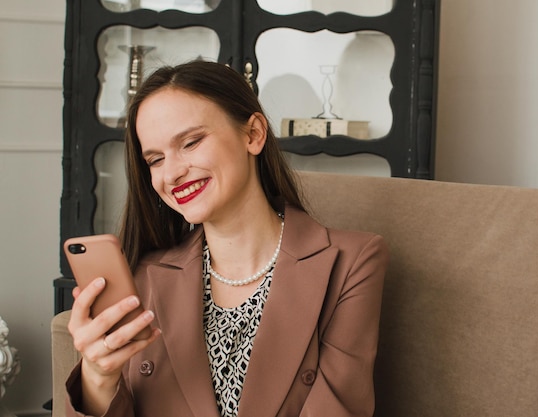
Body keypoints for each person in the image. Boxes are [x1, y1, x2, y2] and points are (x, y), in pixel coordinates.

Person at [65, 60, 389, 417]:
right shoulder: (144, 277)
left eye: (190, 142)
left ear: (253, 135)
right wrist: (98, 376)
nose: (171, 173)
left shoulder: (351, 262)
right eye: (155, 159)